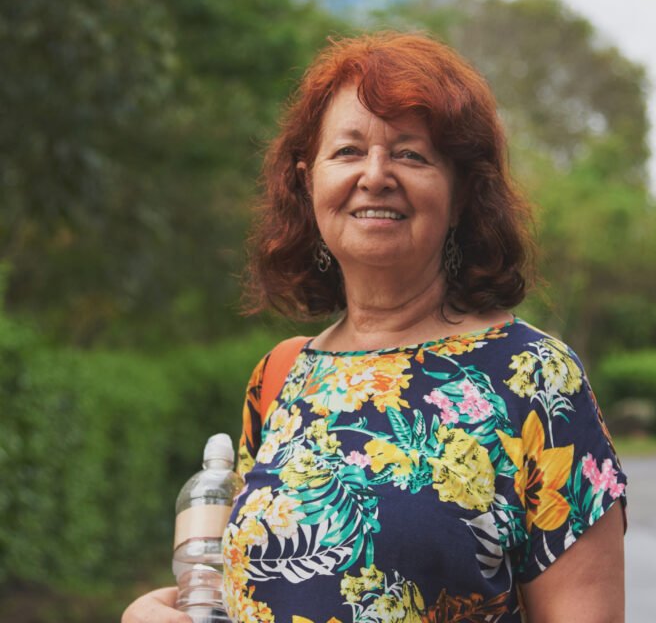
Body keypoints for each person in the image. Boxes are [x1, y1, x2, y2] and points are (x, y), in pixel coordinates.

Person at [123, 32, 626, 623]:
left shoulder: (535, 378)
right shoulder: (280, 377)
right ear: (309, 182)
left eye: (411, 154)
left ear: (462, 193)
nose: (376, 175)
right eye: (348, 152)